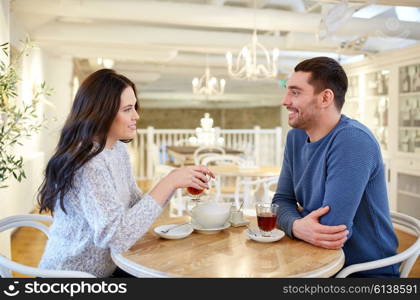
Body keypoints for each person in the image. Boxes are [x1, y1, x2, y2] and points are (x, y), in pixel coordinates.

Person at [37, 69, 214, 277]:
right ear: (101, 112)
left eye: (134, 107)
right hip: (70, 279)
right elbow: (117, 236)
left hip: (107, 268)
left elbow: (133, 207)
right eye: (128, 109)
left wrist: (176, 182)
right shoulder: (88, 163)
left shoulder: (116, 149)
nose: (136, 116)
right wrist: (168, 183)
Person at [272, 57, 399, 277]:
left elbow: (330, 231)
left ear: (325, 98)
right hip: (313, 261)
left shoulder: (352, 141)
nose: (285, 101)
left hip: (360, 272)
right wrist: (296, 225)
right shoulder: (295, 138)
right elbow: (281, 201)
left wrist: (291, 219)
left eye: (295, 92)